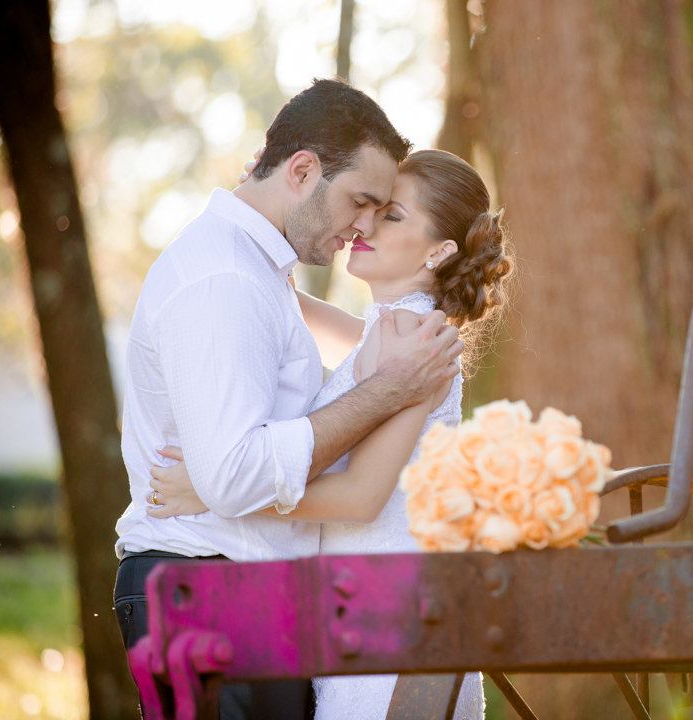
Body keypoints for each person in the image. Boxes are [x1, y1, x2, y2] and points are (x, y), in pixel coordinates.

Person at [112, 79, 464, 719]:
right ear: (301, 172)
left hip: (282, 601)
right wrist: (214, 487)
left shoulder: (264, 278)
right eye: (363, 203)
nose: (364, 225)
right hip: (214, 592)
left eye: (386, 213)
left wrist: (255, 213)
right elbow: (237, 473)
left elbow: (334, 340)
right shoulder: (228, 275)